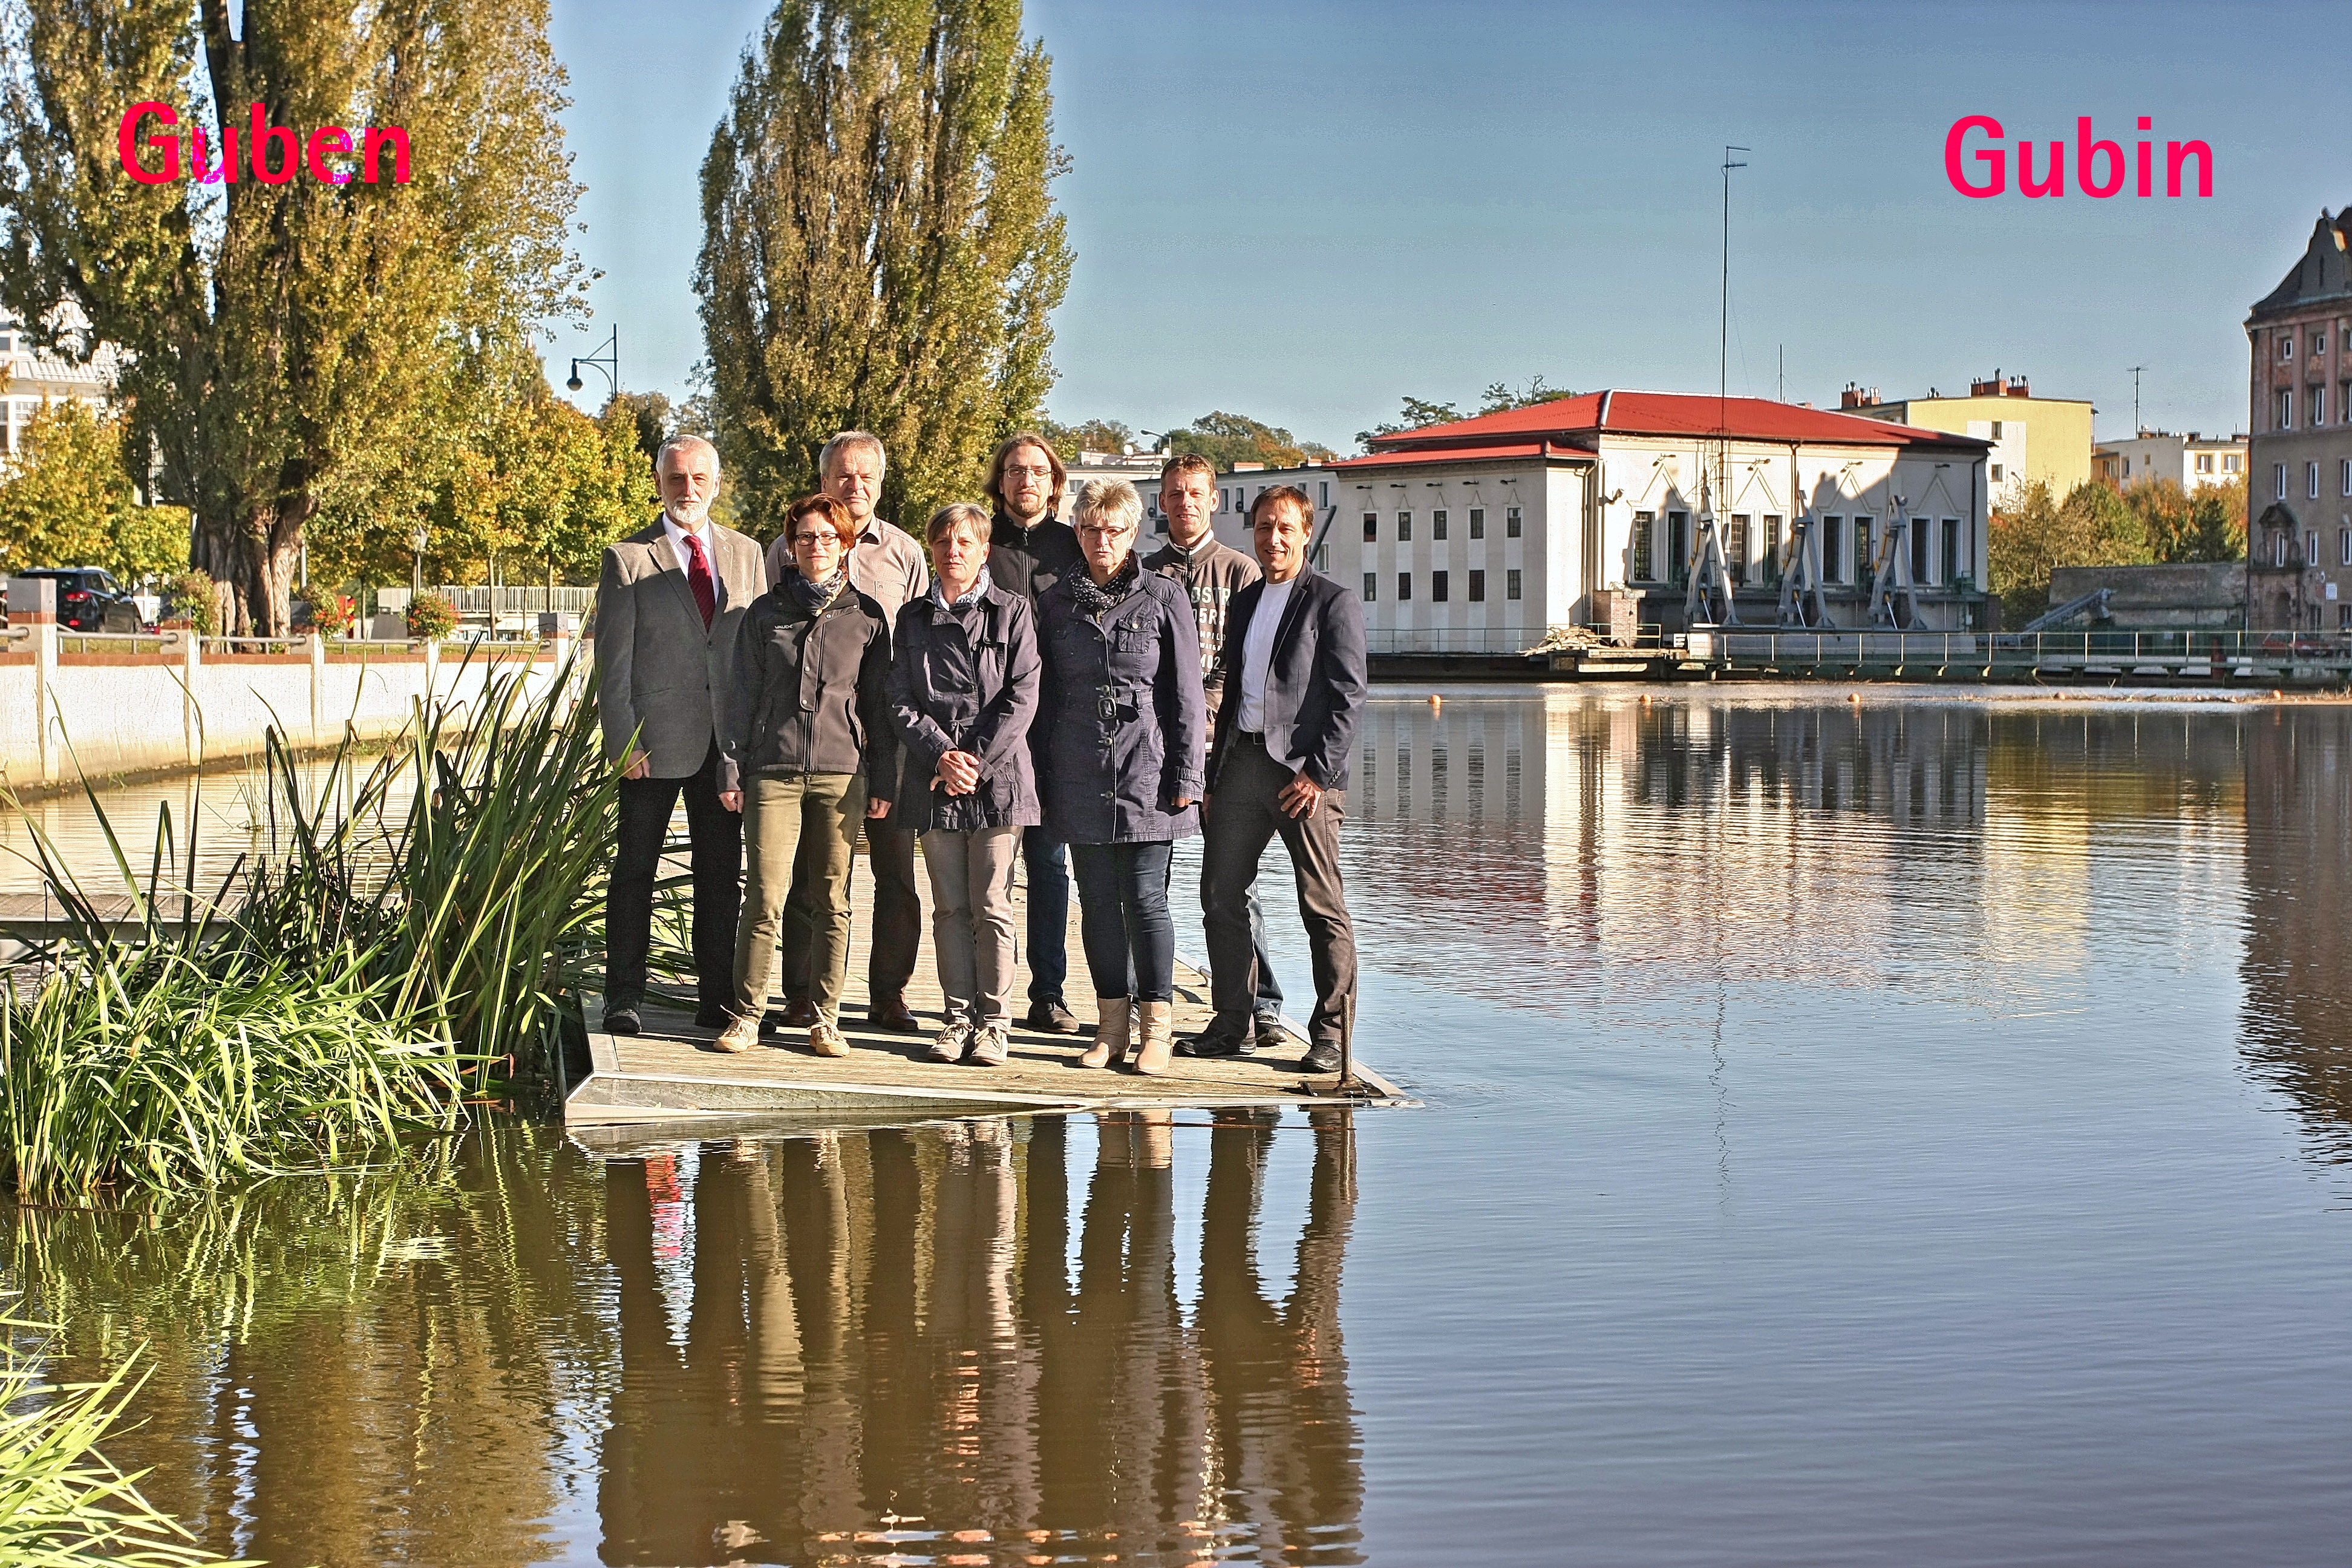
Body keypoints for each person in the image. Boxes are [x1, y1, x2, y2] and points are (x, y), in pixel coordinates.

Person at [595, 435, 767, 1037]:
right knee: (634, 872)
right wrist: (623, 741)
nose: (687, 488)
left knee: (720, 877)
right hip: (652, 745)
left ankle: (717, 999)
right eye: (676, 478)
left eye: (698, 478)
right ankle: (624, 998)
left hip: (726, 747)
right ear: (659, 483)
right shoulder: (627, 558)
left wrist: (748, 746)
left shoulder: (747, 554)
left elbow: (755, 655)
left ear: (716, 484)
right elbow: (612, 663)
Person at [1189, 485, 1365, 1073]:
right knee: (1221, 895)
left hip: (1303, 775)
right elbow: (1235, 688)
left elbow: (1348, 698)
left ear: (1306, 533)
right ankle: (1232, 1023)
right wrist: (1213, 778)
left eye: (1286, 527)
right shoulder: (1246, 602)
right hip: (1240, 764)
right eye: (1265, 527)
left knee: (1321, 904)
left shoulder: (1332, 602)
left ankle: (1331, 1037)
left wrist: (1318, 774)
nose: (1274, 538)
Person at [716, 493, 897, 1058]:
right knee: (765, 896)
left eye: (827, 537)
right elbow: (740, 695)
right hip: (773, 770)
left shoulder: (868, 617)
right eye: (804, 538)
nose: (816, 546)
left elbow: (878, 707)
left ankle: (826, 1019)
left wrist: (883, 781)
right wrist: (731, 765)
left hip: (843, 774)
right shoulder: (765, 614)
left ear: (845, 544)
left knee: (832, 899)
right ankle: (747, 1015)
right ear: (790, 547)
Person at [1035, 478, 1204, 1076]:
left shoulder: (1163, 596)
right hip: (1078, 769)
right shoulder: (1055, 602)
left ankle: (1157, 1029)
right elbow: (1044, 698)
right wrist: (1041, 779)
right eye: (1090, 529)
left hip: (1147, 771)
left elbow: (1187, 695)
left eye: (1113, 530)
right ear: (1077, 532)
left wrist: (1188, 775)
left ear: (1132, 533)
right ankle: (1111, 1029)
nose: (1101, 541)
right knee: (1098, 902)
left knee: (1146, 898)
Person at [763, 432, 930, 1034]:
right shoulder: (788, 547)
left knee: (896, 874)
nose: (854, 485)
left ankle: (889, 993)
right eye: (843, 475)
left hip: (890, 738)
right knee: (809, 875)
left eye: (866, 476)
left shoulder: (905, 553)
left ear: (881, 483)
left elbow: (920, 642)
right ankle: (803, 994)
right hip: (812, 741)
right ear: (824, 480)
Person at [1141, 452, 1288, 1050]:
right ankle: (1148, 1001)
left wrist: (1200, 711)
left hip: (1222, 749)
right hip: (1156, 749)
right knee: (1149, 882)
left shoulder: (1241, 572)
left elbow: (1246, 659)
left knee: (1232, 884)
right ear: (1162, 502)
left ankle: (1262, 1004)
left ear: (1214, 500)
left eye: (1195, 493)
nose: (1185, 503)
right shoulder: (1144, 571)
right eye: (1175, 493)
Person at [887, 502, 1041, 1067]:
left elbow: (1023, 695)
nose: (953, 551)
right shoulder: (911, 618)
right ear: (931, 549)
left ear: (984, 551)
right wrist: (940, 755)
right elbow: (898, 697)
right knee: (950, 908)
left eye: (964, 542)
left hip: (998, 781)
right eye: (943, 541)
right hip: (935, 781)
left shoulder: (1013, 612)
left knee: (992, 906)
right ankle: (957, 1020)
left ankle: (995, 1025)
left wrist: (972, 760)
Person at [981, 432, 1086, 1036]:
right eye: (1016, 470)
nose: (1027, 481)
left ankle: (1048, 993)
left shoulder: (1074, 548)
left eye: (1039, 472)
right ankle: (978, 995)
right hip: (986, 725)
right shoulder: (978, 542)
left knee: (1048, 866)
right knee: (986, 870)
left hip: (1055, 730)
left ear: (1054, 484)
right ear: (1000, 481)